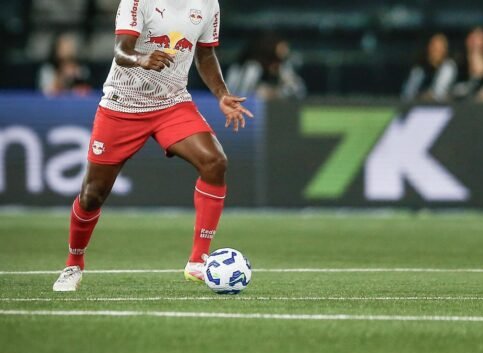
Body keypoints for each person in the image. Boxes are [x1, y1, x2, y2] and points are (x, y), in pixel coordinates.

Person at [52, 0, 253, 292]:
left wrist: (221, 94)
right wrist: (140, 59)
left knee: (215, 161)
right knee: (92, 195)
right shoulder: (138, 1)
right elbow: (121, 50)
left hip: (171, 103)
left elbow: (206, 54)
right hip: (122, 104)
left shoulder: (209, 4)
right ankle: (73, 264)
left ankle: (198, 261)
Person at [226, 34, 306, 100]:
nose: (286, 50)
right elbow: (239, 93)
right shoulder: (251, 67)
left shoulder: (282, 67)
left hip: (272, 110)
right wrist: (259, 92)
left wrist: (276, 92)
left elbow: (299, 91)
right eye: (282, 47)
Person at [401, 33, 457, 102]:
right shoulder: (419, 69)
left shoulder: (448, 67)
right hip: (416, 106)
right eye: (433, 47)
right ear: (428, 47)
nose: (435, 51)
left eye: (438, 48)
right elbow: (407, 93)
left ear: (445, 50)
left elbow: (438, 93)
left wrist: (427, 96)